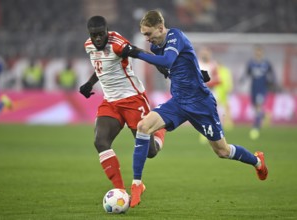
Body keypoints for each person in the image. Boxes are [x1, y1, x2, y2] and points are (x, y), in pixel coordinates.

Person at [121, 10, 268, 208]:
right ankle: (137, 184)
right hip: (179, 101)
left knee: (222, 151)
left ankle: (257, 161)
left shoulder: (176, 36)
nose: (147, 39)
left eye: (148, 34)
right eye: (144, 35)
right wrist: (197, 73)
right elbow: (170, 67)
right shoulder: (156, 47)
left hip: (201, 104)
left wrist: (137, 53)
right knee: (143, 127)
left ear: (160, 28)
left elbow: (168, 62)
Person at [79, 16, 166, 192]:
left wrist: (160, 64)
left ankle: (161, 128)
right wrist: (89, 83)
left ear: (106, 31)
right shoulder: (88, 45)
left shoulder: (117, 43)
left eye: (101, 34)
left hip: (132, 99)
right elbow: (102, 68)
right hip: (110, 102)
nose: (98, 39)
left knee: (151, 152)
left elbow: (137, 51)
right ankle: (120, 191)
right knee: (100, 142)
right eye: (94, 35)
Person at [243, 46, 277, 140]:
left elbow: (272, 73)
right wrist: (242, 79)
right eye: (257, 52)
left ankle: (255, 127)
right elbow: (247, 73)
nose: (258, 53)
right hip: (253, 89)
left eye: (260, 52)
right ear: (255, 53)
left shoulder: (266, 63)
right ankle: (265, 115)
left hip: (262, 89)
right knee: (255, 107)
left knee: (258, 106)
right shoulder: (251, 63)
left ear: (262, 53)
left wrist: (273, 82)